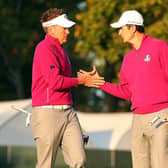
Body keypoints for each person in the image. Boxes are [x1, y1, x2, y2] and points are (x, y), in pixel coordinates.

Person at [79, 10, 168, 168]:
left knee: (161, 163)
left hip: (161, 116)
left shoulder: (159, 47)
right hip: (138, 119)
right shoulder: (127, 60)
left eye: (122, 28)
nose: (119, 32)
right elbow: (127, 92)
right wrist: (100, 83)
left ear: (133, 28)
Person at [30, 8, 104, 168]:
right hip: (47, 112)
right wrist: (80, 81)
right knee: (46, 164)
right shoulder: (44, 48)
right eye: (64, 28)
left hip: (68, 113)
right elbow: (54, 82)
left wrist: (85, 79)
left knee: (79, 160)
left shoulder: (61, 51)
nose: (68, 32)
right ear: (52, 29)